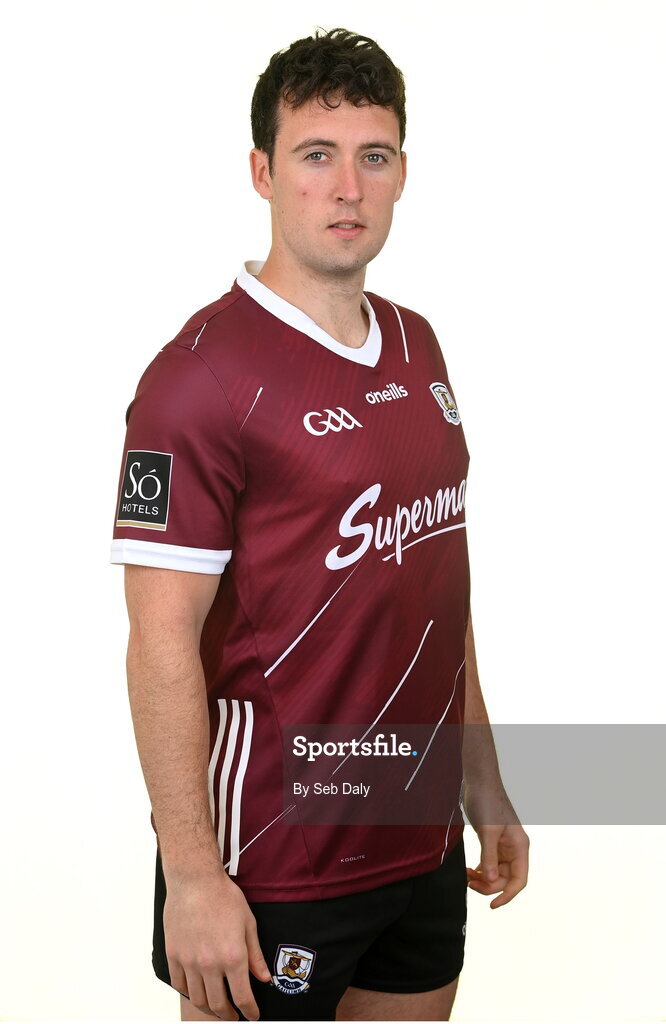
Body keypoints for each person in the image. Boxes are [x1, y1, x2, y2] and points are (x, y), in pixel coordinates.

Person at [110, 27, 529, 1023]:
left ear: (401, 174)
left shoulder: (418, 344)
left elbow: (433, 582)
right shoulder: (198, 380)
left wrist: (485, 780)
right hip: (273, 859)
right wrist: (195, 876)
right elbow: (160, 640)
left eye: (372, 156)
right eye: (316, 155)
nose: (348, 186)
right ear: (261, 171)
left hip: (416, 840)